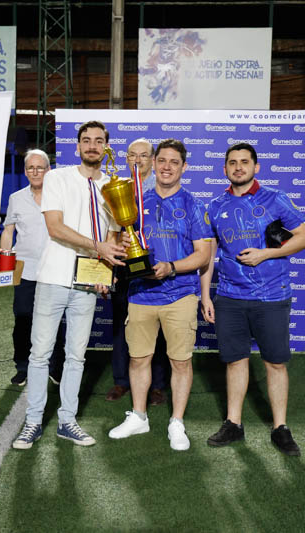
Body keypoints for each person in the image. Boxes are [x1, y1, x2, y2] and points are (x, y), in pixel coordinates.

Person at [12, 120, 124, 449]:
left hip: (88, 283)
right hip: (53, 278)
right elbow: (55, 228)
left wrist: (104, 269)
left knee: (76, 356)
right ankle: (32, 422)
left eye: (98, 140)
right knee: (40, 354)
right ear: (77, 147)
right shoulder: (57, 177)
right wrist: (98, 247)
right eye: (86, 140)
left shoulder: (113, 185)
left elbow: (113, 234)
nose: (92, 145)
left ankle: (67, 420)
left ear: (105, 147)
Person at [200, 143, 305, 456]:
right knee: (235, 360)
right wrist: (206, 295)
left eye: (245, 162)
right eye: (232, 163)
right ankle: (233, 423)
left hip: (272, 296)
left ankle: (280, 427)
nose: (238, 167)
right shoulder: (216, 205)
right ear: (225, 169)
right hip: (230, 297)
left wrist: (268, 253)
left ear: (256, 167)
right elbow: (209, 256)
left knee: (275, 363)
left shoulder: (275, 199)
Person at [108, 139, 212, 451]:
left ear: (184, 167)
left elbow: (203, 255)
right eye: (162, 161)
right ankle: (139, 416)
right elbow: (118, 240)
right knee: (139, 358)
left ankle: (177, 422)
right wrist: (123, 251)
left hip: (180, 295)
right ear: (154, 164)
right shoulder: (135, 201)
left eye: (174, 162)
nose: (166, 167)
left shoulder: (194, 205)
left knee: (179, 362)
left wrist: (171, 266)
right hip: (140, 293)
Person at [106, 138, 169, 406]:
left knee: (159, 327)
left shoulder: (163, 189)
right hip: (124, 265)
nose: (138, 160)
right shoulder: (117, 189)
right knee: (122, 323)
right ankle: (121, 381)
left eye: (143, 155)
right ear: (126, 158)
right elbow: (108, 231)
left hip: (154, 265)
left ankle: (158, 385)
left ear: (152, 160)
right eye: (132, 155)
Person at [0, 149, 65, 387]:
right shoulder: (16, 198)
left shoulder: (60, 196)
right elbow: (8, 231)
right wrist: (4, 264)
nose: (35, 172)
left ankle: (56, 367)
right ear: (25, 171)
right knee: (23, 318)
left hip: (55, 269)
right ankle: (23, 366)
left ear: (49, 170)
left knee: (56, 320)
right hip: (25, 269)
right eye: (30, 168)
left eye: (40, 167)